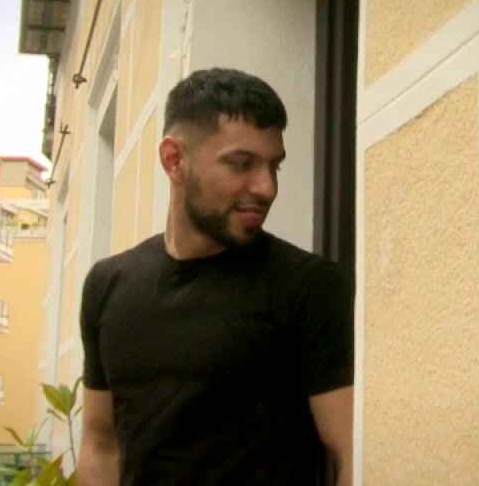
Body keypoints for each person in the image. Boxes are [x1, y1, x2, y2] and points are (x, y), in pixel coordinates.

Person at [78, 68, 354, 486]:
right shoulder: (107, 285)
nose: (266, 187)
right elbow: (101, 445)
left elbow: (352, 452)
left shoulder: (310, 287)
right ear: (174, 160)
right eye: (242, 164)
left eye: (274, 166)